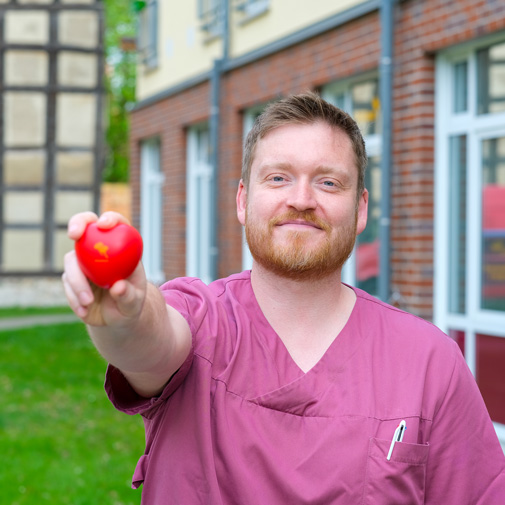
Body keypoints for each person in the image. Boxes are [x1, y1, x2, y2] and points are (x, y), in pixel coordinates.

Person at [63, 92, 505, 504]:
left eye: (329, 183)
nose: (301, 199)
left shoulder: (429, 361)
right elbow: (150, 343)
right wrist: (126, 316)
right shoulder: (201, 319)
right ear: (243, 200)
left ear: (361, 210)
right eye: (278, 178)